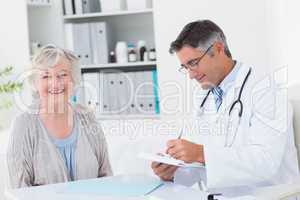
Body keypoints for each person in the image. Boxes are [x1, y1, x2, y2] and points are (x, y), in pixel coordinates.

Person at [151, 20, 299, 195]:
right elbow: (199, 161)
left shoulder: (266, 90)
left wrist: (201, 153)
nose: (190, 75)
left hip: (269, 196)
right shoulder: (204, 96)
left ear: (218, 49)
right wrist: (173, 172)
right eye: (185, 67)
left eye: (193, 63)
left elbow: (266, 161)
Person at [7, 45, 112, 188]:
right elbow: (20, 190)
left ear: (73, 79)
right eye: (46, 76)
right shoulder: (23, 124)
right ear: (35, 83)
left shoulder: (87, 117)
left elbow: (107, 177)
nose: (55, 83)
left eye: (63, 75)